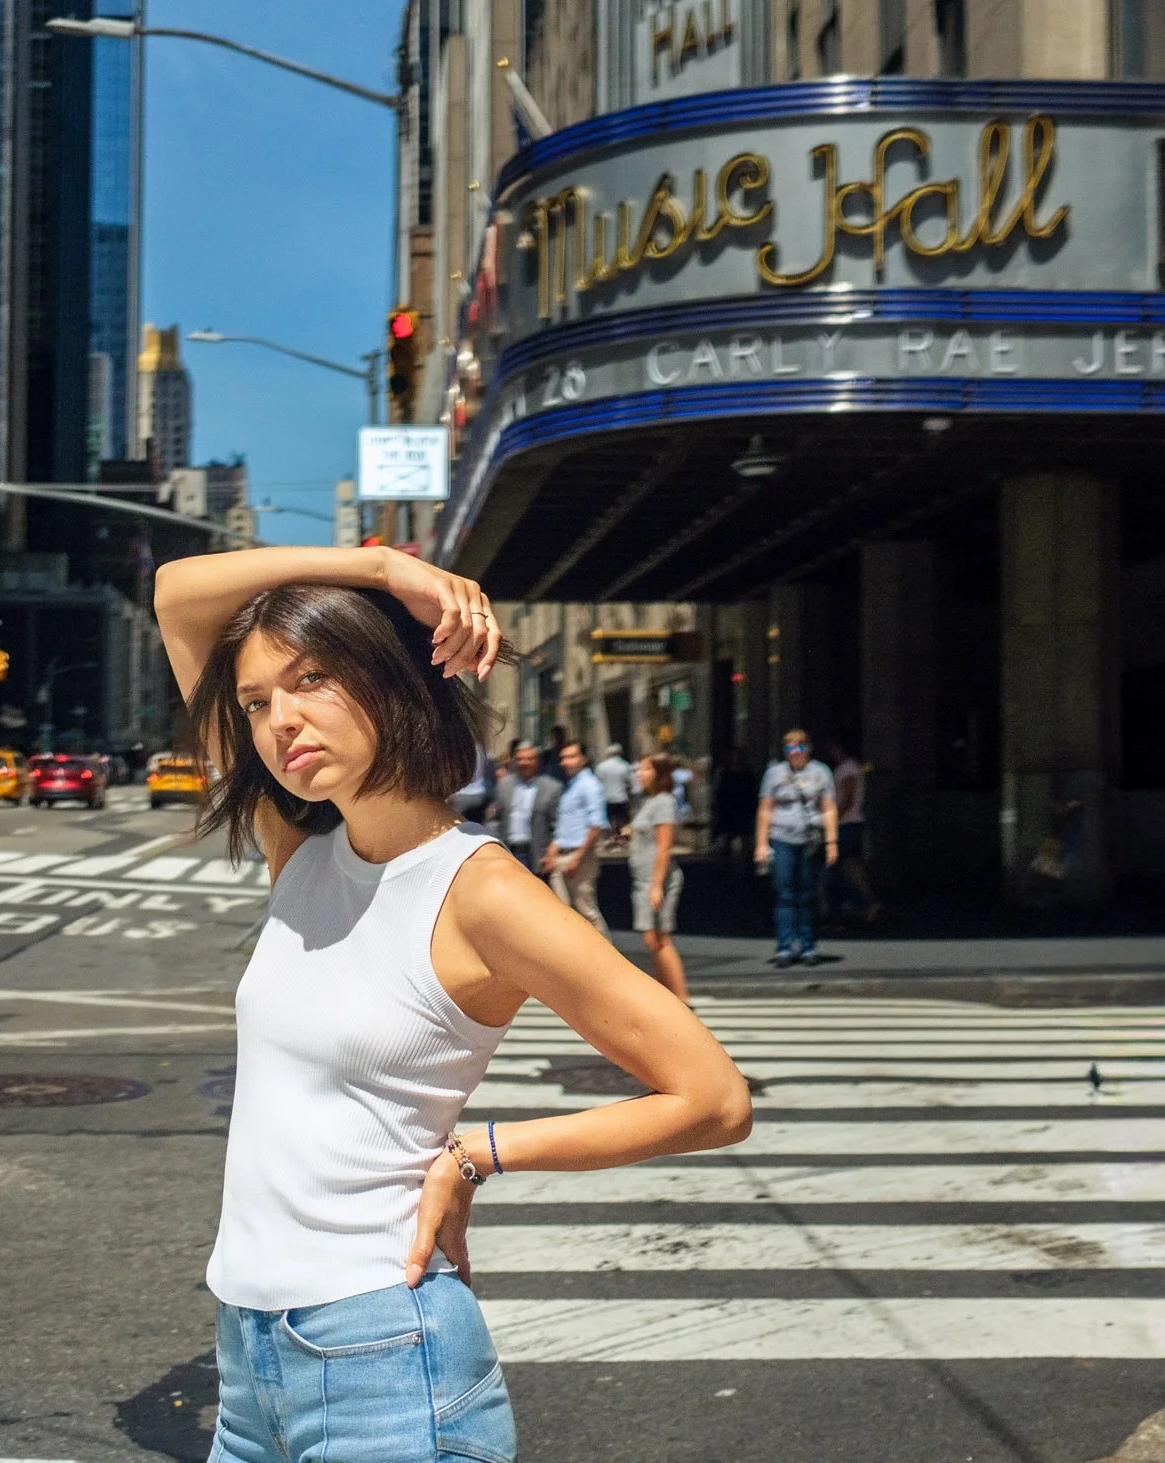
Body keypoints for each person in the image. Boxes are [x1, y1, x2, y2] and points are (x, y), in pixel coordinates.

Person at [154, 544, 753, 1463]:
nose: (280, 720)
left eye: (311, 679)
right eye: (256, 701)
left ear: (389, 681)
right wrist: (386, 567)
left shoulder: (480, 891)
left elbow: (712, 1098)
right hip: (250, 1358)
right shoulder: (300, 849)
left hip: (384, 1363)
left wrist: (479, 1153)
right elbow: (175, 595)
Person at [754, 727, 838, 968]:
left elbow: (828, 807)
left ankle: (808, 946)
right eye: (789, 747)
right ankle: (785, 947)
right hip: (782, 838)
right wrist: (761, 844)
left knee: (807, 894)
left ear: (808, 748)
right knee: (785, 894)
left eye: (800, 746)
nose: (795, 751)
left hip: (810, 838)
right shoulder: (775, 773)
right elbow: (766, 809)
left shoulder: (820, 772)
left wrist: (832, 841)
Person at [626, 752, 687, 1002]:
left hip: (655, 879)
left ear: (659, 774)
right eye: (639, 770)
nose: (639, 774)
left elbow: (664, 847)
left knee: (660, 938)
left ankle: (682, 998)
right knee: (652, 938)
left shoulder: (663, 801)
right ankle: (665, 995)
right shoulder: (649, 801)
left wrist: (656, 886)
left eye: (645, 769)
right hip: (644, 878)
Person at [548, 740, 609, 930]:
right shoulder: (570, 786)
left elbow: (597, 824)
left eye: (571, 757)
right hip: (562, 854)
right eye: (563, 757)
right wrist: (554, 846)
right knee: (562, 911)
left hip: (579, 855)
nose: (565, 762)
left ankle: (605, 956)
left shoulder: (589, 785)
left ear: (584, 759)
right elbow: (567, 821)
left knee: (587, 911)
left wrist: (578, 856)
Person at [824, 738, 881, 926]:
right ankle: (860, 904)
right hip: (852, 824)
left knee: (832, 871)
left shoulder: (847, 769)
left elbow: (847, 800)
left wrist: (832, 820)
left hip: (847, 824)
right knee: (852, 869)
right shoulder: (850, 767)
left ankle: (860, 902)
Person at [486, 740, 559, 876]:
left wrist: (551, 854)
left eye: (529, 759)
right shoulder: (504, 785)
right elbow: (494, 819)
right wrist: (495, 848)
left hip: (536, 855)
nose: (524, 763)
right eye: (520, 759)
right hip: (509, 853)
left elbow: (558, 825)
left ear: (537, 761)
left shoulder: (551, 787)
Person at [594, 741, 634, 843]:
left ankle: (610, 838)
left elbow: (597, 783)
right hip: (621, 798)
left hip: (606, 799)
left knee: (609, 821)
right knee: (623, 821)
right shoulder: (626, 766)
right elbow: (630, 783)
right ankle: (622, 840)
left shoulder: (601, 766)